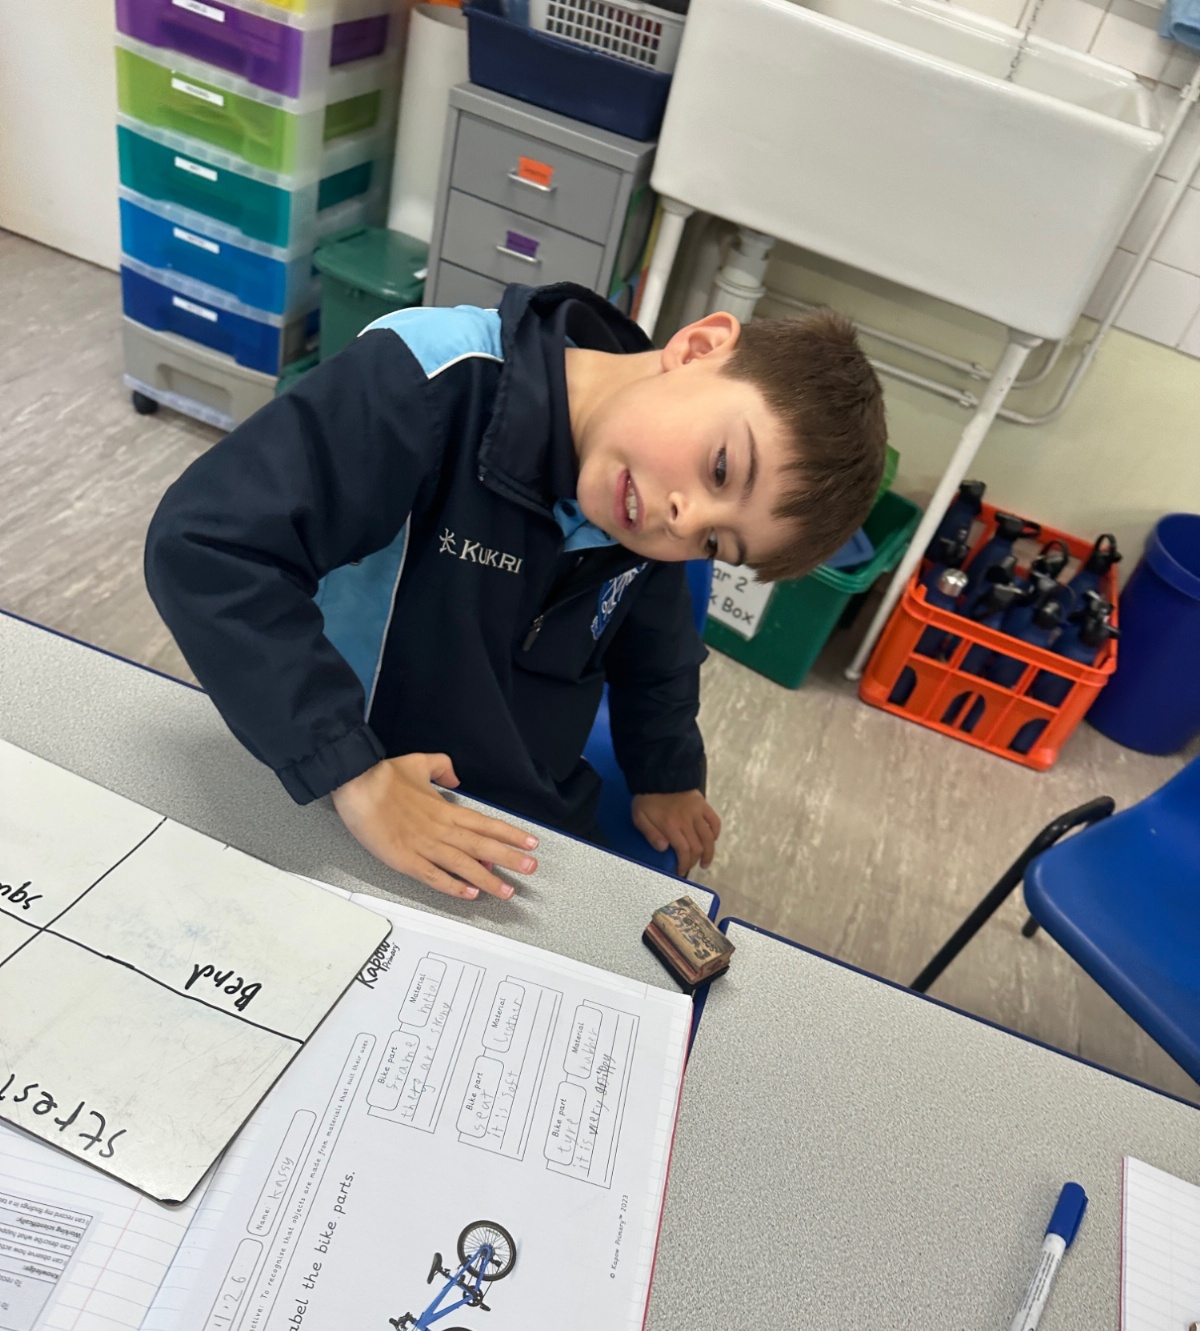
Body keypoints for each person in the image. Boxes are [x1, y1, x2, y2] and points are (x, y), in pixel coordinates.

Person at [145, 281, 886, 901]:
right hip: (366, 778)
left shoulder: (647, 497)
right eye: (722, 468)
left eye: (716, 543)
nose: (685, 520)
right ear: (698, 347)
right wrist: (353, 770)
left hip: (521, 801)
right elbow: (207, 546)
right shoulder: (429, 379)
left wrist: (667, 772)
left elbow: (657, 647)